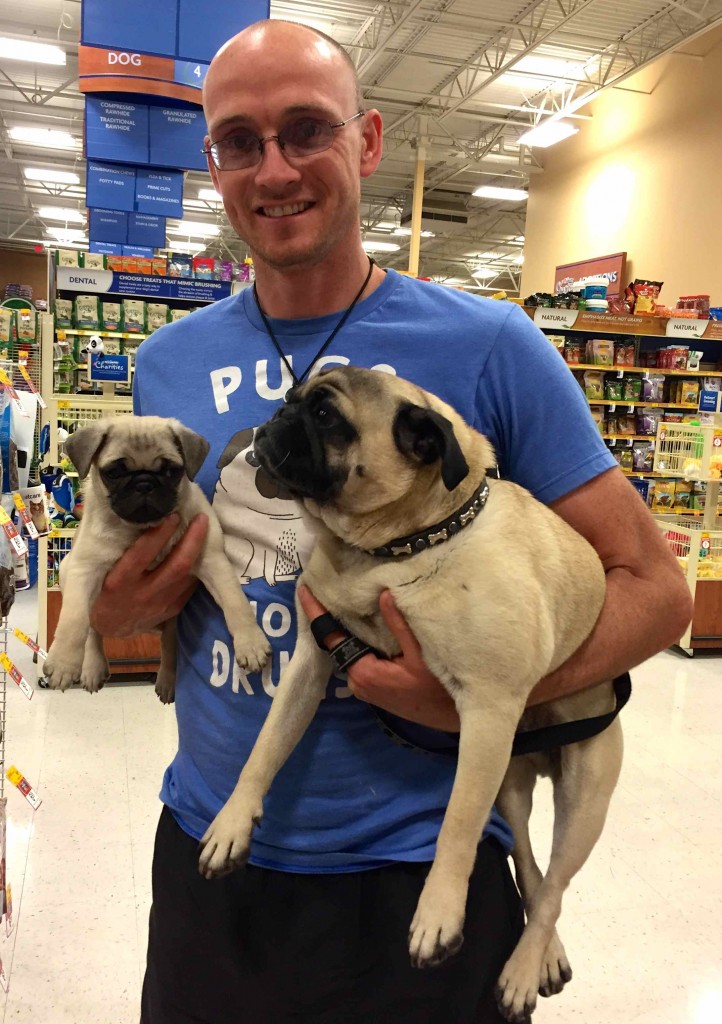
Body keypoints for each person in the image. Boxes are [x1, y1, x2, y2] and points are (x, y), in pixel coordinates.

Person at [90, 19, 692, 1024]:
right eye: (238, 141)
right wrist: (116, 613)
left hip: (424, 871)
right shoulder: (167, 361)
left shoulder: (493, 345)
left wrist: (483, 697)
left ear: (366, 142)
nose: (273, 168)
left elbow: (658, 591)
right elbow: (139, 588)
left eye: (305, 130)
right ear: (213, 163)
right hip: (212, 840)